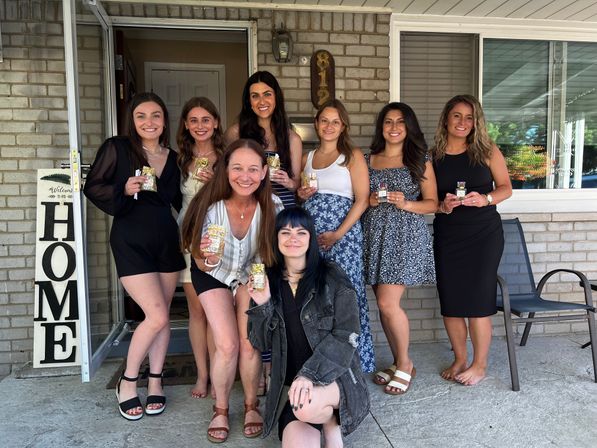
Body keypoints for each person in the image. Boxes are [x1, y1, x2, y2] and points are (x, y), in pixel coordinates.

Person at [84, 92, 185, 420]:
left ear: (164, 121)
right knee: (154, 315)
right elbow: (93, 186)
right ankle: (128, 382)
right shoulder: (118, 147)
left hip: (166, 239)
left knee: (164, 316)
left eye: (156, 115)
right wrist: (122, 190)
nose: (149, 122)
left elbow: (179, 200)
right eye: (142, 116)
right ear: (133, 120)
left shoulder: (173, 157)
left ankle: (155, 382)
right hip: (130, 239)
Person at [180, 138, 281, 443]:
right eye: (237, 168)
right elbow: (195, 250)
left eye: (253, 168)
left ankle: (251, 405)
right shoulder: (210, 206)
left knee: (249, 343)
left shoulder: (273, 207)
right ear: (225, 170)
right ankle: (221, 408)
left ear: (264, 171)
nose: (245, 175)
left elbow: (283, 250)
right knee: (226, 345)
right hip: (213, 274)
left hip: (254, 274)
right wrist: (205, 257)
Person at [247, 207, 370, 446]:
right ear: (276, 239)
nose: (293, 238)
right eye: (285, 232)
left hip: (336, 379)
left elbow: (348, 334)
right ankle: (328, 420)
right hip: (297, 392)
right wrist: (262, 305)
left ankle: (332, 425)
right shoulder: (267, 283)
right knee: (302, 407)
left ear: (311, 239)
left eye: (301, 232)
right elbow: (259, 343)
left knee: (306, 405)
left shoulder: (332, 276)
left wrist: (308, 375)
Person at [432, 94, 512, 386]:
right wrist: (443, 204)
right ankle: (460, 359)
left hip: (483, 235)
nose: (462, 122)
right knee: (451, 300)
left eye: (469, 117)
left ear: (476, 122)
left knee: (478, 300)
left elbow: (506, 188)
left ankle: (479, 365)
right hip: (449, 233)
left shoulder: (487, 150)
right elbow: (429, 198)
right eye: (456, 116)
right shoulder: (434, 157)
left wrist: (486, 198)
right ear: (446, 119)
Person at [362, 102, 438, 394]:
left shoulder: (420, 158)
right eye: (388, 122)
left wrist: (405, 202)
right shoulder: (369, 159)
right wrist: (369, 200)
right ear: (381, 127)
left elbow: (432, 203)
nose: (393, 127)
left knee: (387, 303)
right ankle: (398, 361)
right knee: (384, 305)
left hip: (405, 235)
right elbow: (360, 198)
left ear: (409, 128)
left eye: (400, 122)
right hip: (375, 234)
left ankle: (405, 363)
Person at [297, 99, 375, 373]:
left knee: (347, 295)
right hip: (313, 236)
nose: (329, 126)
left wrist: (338, 234)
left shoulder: (351, 155)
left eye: (335, 122)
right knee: (317, 294)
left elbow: (363, 199)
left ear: (343, 126)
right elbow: (302, 194)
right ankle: (320, 360)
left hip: (344, 236)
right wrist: (301, 194)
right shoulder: (307, 158)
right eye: (324, 121)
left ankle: (354, 363)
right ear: (316, 124)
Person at [175, 97, 224, 399]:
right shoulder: (180, 158)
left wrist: (215, 183)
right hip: (185, 236)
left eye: (206, 119)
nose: (200, 126)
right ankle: (202, 375)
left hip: (216, 236)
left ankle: (221, 369)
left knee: (215, 308)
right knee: (196, 310)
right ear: (186, 125)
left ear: (216, 123)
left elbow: (237, 191)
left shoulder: (225, 156)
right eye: (194, 120)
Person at [225, 70, 302, 208]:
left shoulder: (292, 138)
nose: (262, 101)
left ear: (276, 98)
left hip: (284, 211)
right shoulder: (236, 133)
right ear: (249, 101)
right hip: (250, 208)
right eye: (255, 96)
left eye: (267, 94)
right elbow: (227, 174)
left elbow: (296, 183)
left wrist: (289, 182)